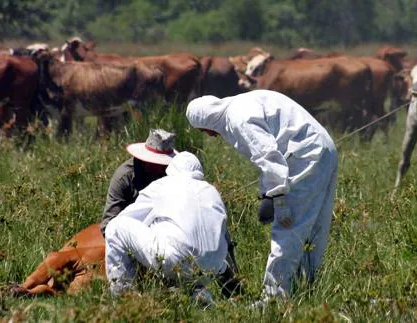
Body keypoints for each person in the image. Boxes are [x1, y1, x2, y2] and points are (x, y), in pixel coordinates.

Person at [186, 90, 338, 304]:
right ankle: (305, 291)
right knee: (312, 229)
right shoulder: (242, 103)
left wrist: (272, 196)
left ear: (206, 122)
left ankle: (273, 300)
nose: (210, 136)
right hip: (321, 148)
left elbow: (267, 154)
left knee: (287, 229)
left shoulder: (238, 118)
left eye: (204, 130)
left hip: (304, 156)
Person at [101, 129, 240, 297]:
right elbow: (222, 235)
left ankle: (123, 297)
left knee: (117, 227)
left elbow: (121, 222)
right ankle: (201, 296)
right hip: (210, 270)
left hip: (170, 259)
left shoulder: (161, 186)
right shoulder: (211, 191)